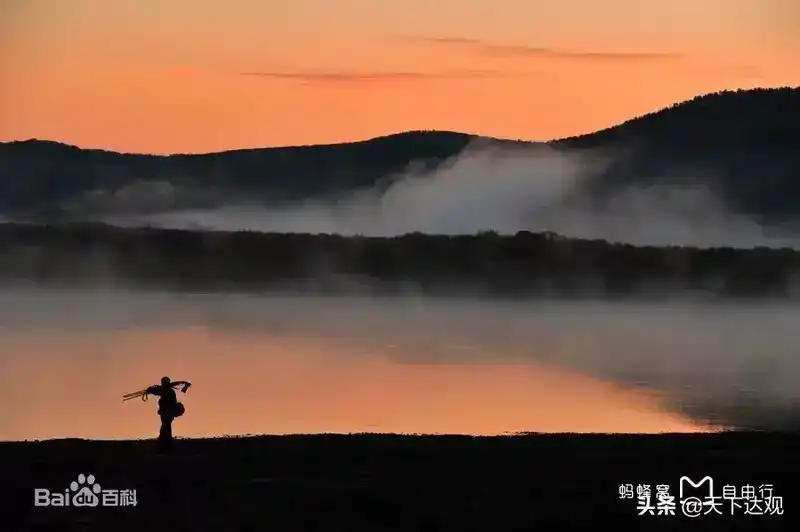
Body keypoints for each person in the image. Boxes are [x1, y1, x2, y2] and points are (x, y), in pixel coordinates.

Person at [145, 376, 191, 450]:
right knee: (166, 426)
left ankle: (165, 442)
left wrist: (151, 390)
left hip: (167, 412)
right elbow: (159, 391)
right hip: (166, 412)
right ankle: (165, 440)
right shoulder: (168, 390)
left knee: (166, 426)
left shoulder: (168, 391)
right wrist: (152, 390)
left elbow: (159, 392)